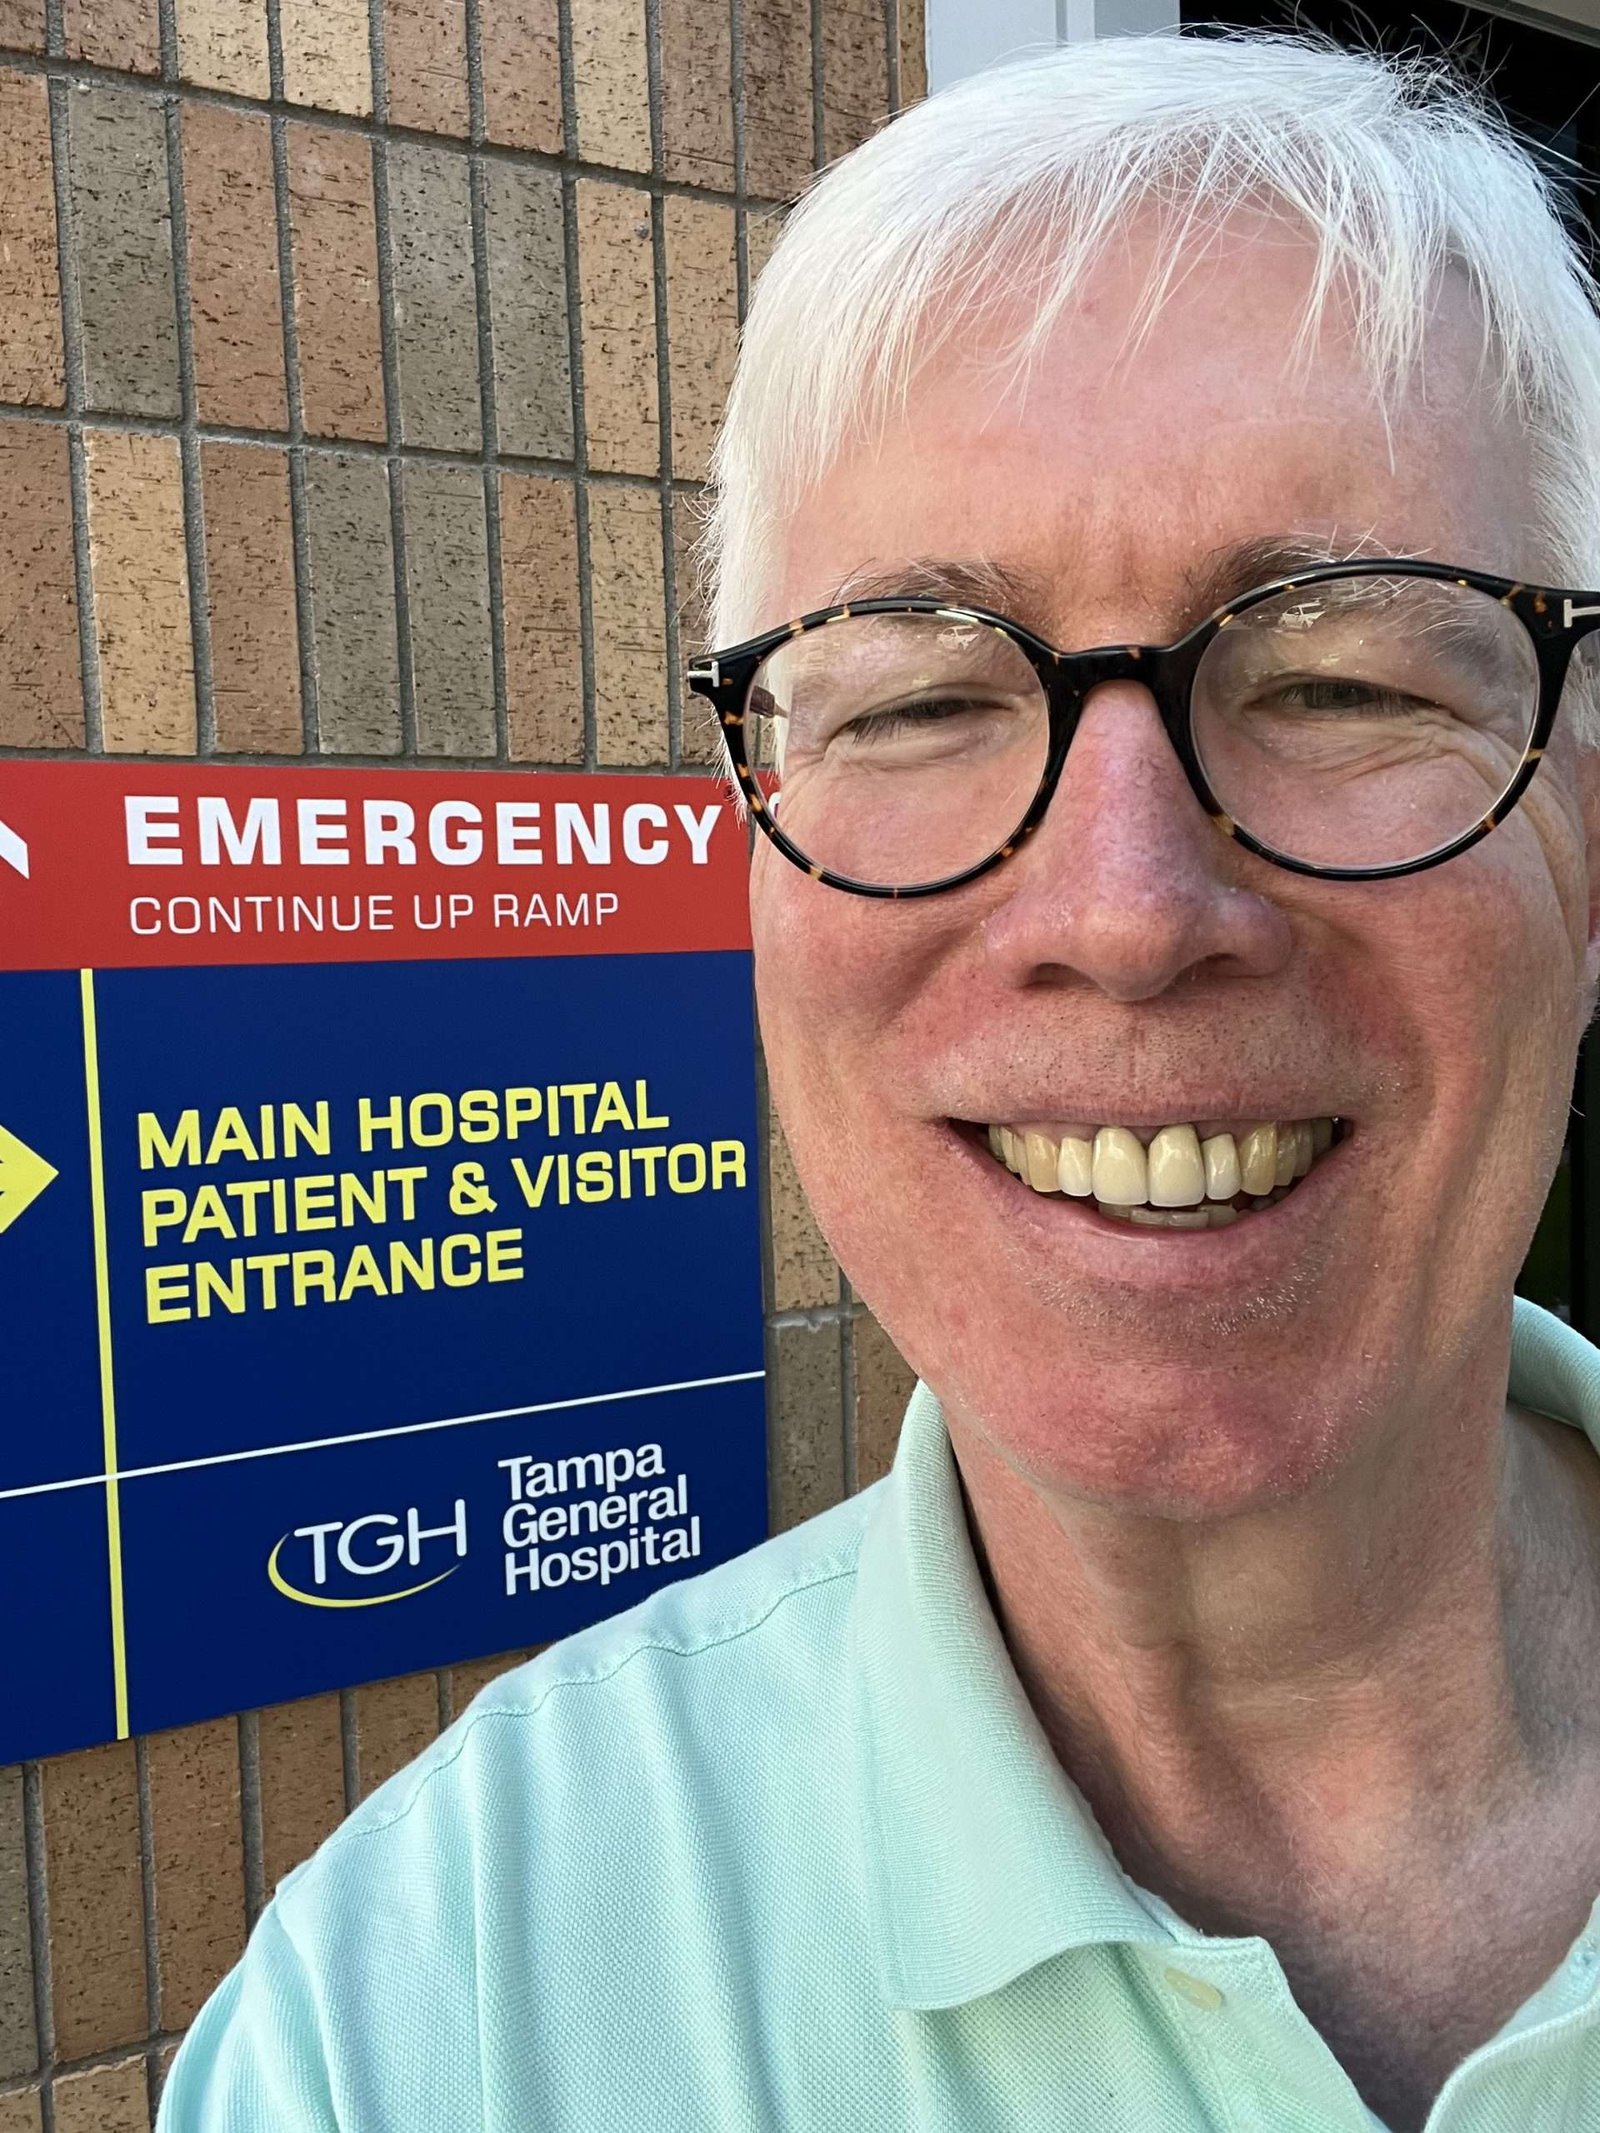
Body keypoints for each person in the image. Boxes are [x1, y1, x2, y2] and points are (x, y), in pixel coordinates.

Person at [160, 32, 1600, 2133]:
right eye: (923, 693)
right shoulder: (426, 2013)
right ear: (754, 854)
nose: (1124, 907)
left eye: (1337, 672)